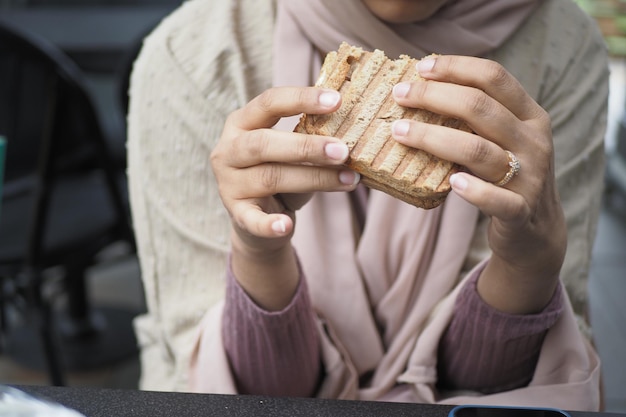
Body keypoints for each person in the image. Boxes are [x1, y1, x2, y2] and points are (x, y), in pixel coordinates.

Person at [126, 0, 608, 410]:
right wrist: (257, 251)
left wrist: (529, 265)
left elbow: (489, 384)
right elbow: (233, 395)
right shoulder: (191, 55)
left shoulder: (563, 45)